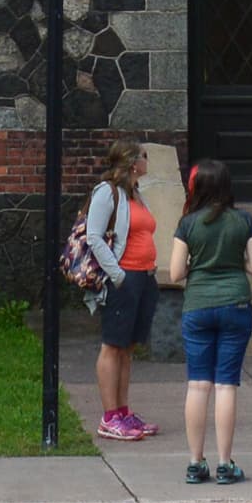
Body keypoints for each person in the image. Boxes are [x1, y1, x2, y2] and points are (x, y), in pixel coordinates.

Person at [168, 159, 252, 483]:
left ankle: (196, 463)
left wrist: (199, 261)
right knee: (226, 384)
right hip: (235, 304)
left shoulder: (188, 224)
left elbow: (176, 272)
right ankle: (225, 464)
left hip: (198, 306)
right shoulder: (243, 221)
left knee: (198, 384)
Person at [81, 144, 160, 443]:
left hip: (144, 277)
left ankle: (123, 411)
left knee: (127, 347)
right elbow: (94, 236)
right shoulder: (107, 192)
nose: (146, 160)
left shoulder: (136, 194)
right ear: (131, 162)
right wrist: (118, 275)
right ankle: (109, 416)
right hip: (123, 279)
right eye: (143, 155)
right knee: (112, 345)